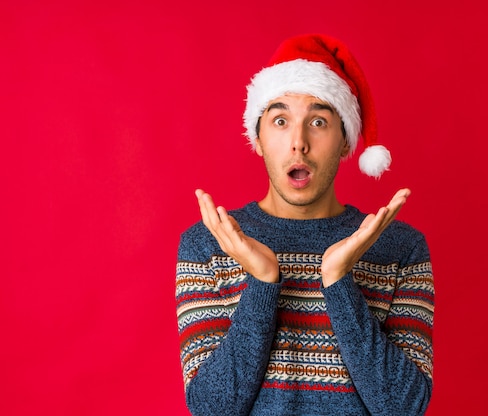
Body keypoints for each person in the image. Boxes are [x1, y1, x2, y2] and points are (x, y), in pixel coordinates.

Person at [175, 34, 434, 416]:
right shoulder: (210, 245)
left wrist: (338, 281)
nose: (299, 142)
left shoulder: (399, 247)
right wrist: (263, 283)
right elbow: (212, 409)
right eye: (280, 120)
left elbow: (404, 407)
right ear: (258, 138)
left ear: (346, 142)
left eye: (318, 121)